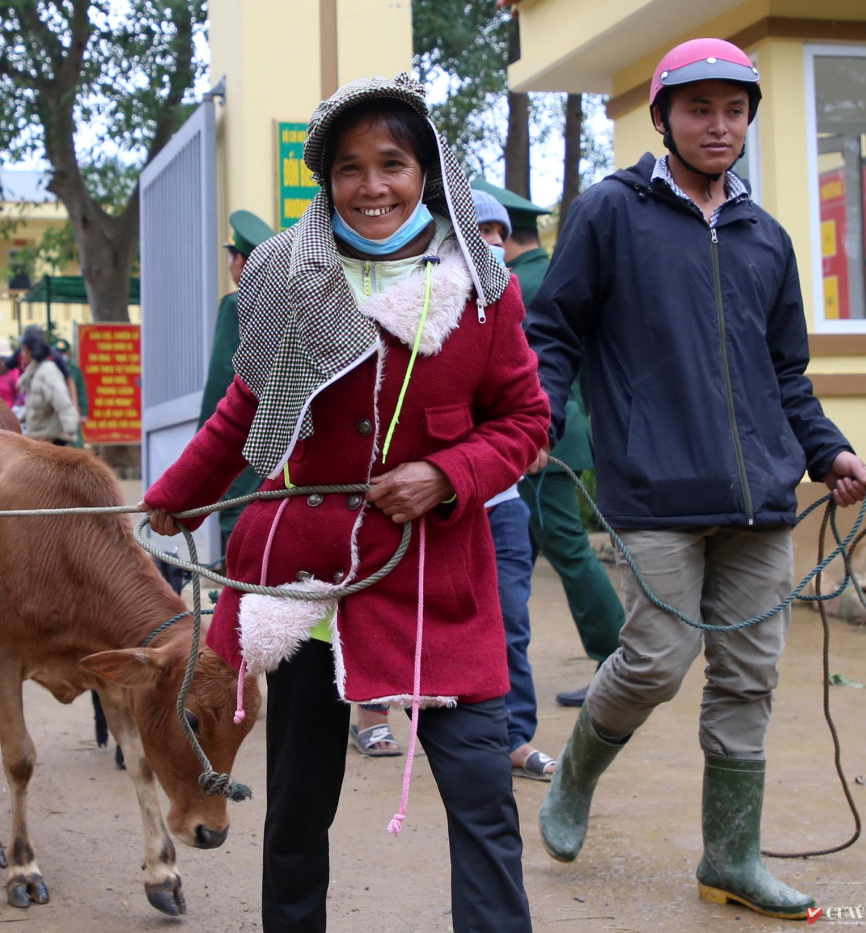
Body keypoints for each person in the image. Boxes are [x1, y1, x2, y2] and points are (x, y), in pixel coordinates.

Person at [142, 73, 547, 932]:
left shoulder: (483, 288)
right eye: (349, 168)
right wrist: (175, 500)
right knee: (296, 807)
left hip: (442, 579)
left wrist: (448, 474)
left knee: (482, 798)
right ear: (324, 181)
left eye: (392, 163)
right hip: (309, 588)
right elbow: (247, 409)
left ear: (427, 171)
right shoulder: (291, 278)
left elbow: (524, 421)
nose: (372, 187)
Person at [526, 39, 866, 921]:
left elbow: (787, 372)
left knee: (749, 676)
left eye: (734, 110)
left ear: (749, 118)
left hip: (761, 495)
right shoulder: (610, 212)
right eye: (699, 109)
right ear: (663, 117)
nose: (718, 126)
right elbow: (555, 331)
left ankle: (731, 859)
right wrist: (534, 420)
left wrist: (828, 449)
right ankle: (574, 774)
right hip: (654, 485)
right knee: (653, 660)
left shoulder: (767, 237)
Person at [481, 183, 626, 709]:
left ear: (503, 236)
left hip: (539, 444)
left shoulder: (524, 283)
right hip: (549, 439)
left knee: (569, 550)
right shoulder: (540, 273)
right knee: (520, 560)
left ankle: (616, 662)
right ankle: (502, 682)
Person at [470, 187, 553, 781]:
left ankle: (514, 737)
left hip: (502, 504)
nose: (496, 245)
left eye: (502, 235)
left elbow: (527, 402)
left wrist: (532, 438)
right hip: (440, 506)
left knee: (511, 618)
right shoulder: (423, 313)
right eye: (483, 234)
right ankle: (374, 711)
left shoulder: (510, 314)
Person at [201, 210, 275, 557]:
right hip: (284, 438)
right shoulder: (286, 304)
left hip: (244, 436)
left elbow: (222, 378)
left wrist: (206, 435)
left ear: (242, 262)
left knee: (237, 517)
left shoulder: (236, 304)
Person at [16, 329, 78, 446]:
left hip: (52, 440)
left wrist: (70, 428)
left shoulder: (47, 372)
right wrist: (17, 418)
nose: (22, 354)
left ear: (31, 351)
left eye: (24, 350)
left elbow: (62, 401)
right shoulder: (35, 371)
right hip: (40, 437)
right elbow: (34, 404)